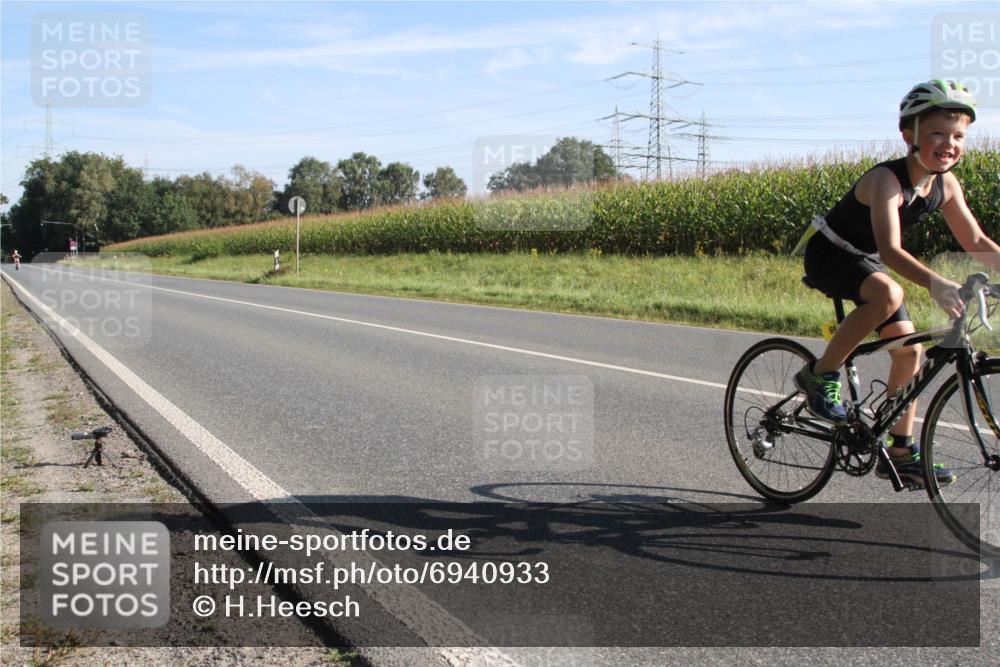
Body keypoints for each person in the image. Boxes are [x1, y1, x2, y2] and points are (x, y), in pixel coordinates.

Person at [793, 79, 1000, 488]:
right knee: (889, 292)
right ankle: (821, 374)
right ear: (910, 135)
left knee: (911, 353)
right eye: (937, 133)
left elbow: (975, 241)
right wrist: (936, 283)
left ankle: (902, 452)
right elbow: (890, 250)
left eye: (958, 135)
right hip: (830, 253)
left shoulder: (945, 185)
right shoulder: (886, 180)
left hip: (864, 260)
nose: (949, 143)